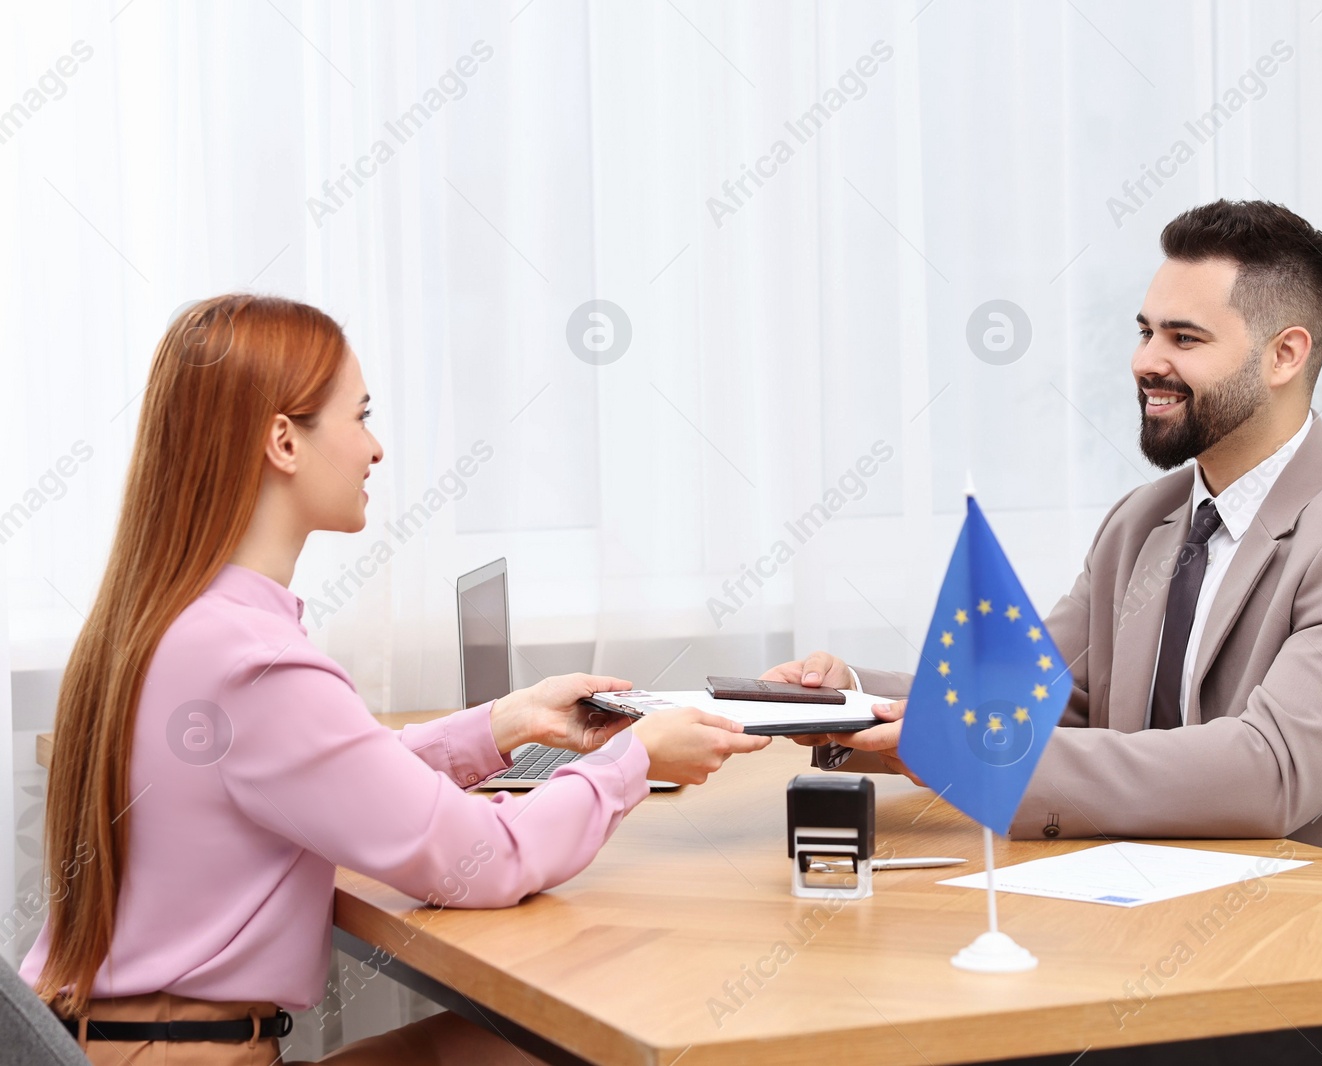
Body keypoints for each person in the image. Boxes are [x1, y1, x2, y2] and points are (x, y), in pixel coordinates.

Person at [23, 294, 770, 1064]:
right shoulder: (253, 663)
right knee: (561, 1047)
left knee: (508, 1045)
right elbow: (489, 859)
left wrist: (502, 725)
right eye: (360, 417)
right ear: (283, 440)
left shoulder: (177, 619)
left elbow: (332, 776)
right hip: (176, 1057)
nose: (375, 450)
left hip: (105, 1044)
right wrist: (633, 763)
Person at [764, 199, 1322, 883]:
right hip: (1165, 907)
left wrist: (971, 750)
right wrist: (849, 698)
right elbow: (1032, 697)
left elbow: (1268, 772)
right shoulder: (1143, 522)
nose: (1145, 362)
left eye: (1184, 339)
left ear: (1284, 355)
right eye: (1145, 332)